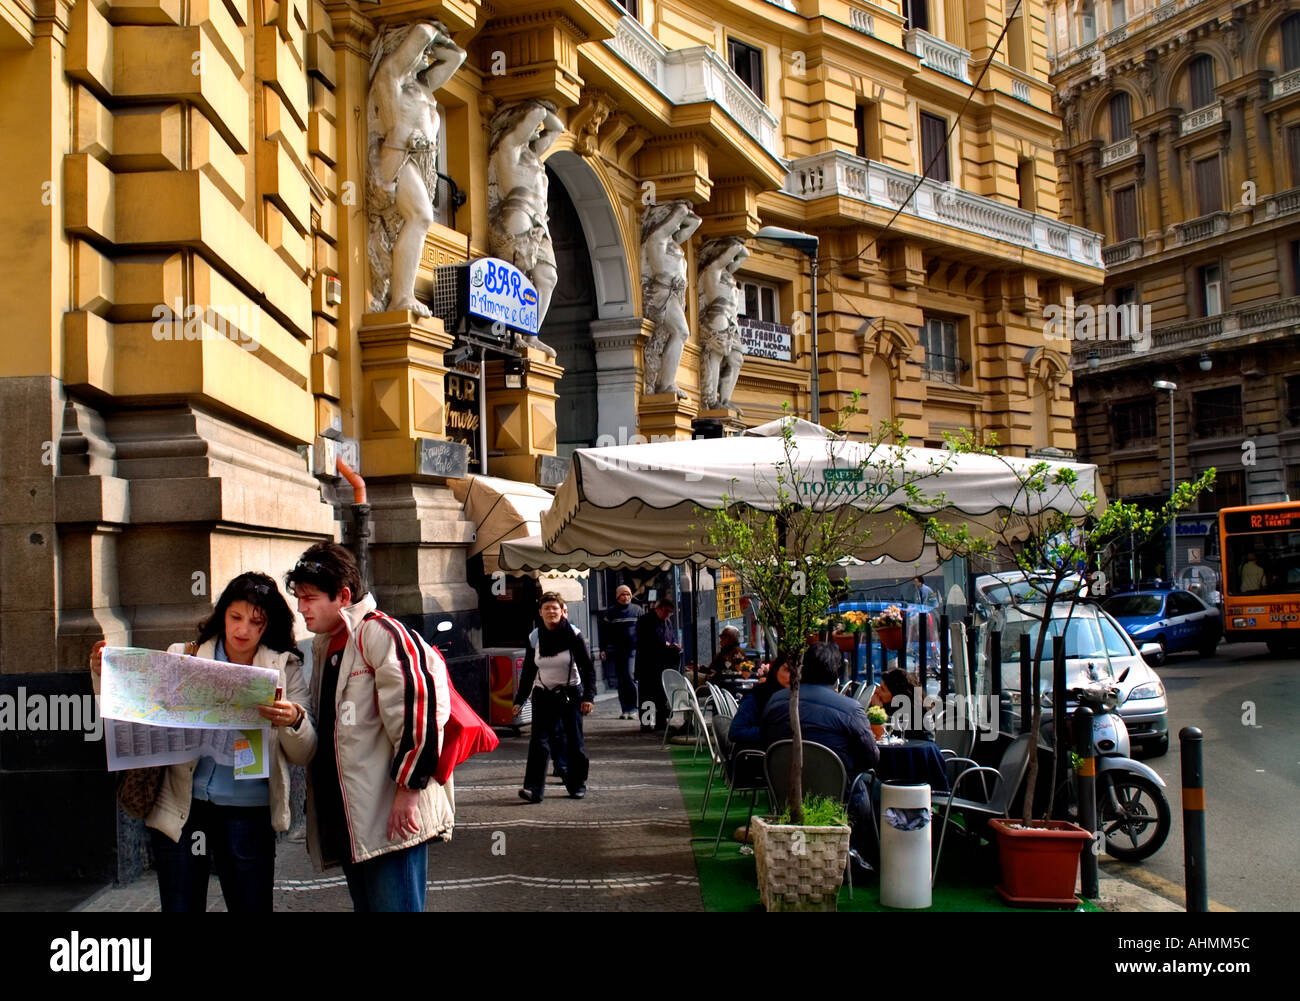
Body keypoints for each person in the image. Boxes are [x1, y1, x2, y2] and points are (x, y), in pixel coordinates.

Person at [90, 572, 315, 912]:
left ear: (269, 626)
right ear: (222, 615)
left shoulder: (286, 667)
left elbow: (304, 752)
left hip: (248, 814)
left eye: (256, 622)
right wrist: (104, 675)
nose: (243, 630)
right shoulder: (184, 656)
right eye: (235, 618)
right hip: (185, 809)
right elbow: (135, 713)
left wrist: (293, 720)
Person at [287, 542, 453, 912]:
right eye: (299, 597)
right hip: (355, 819)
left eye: (310, 597)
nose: (302, 608)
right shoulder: (325, 645)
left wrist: (408, 792)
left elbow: (418, 709)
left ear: (343, 596)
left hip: (390, 818)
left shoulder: (380, 633)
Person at [760, 643, 881, 870]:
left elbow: (767, 743)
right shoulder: (850, 709)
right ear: (836, 672)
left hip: (784, 792)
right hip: (840, 797)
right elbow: (871, 759)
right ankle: (859, 854)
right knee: (879, 790)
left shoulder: (775, 701)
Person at [512, 592, 596, 801]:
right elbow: (530, 670)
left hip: (569, 694)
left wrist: (589, 697)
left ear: (562, 612)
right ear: (540, 612)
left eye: (555, 608)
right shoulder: (534, 637)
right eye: (547, 608)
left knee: (574, 741)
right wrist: (520, 699)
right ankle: (533, 790)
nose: (551, 612)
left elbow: (587, 669)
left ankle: (577, 785)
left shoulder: (573, 635)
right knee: (539, 742)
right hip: (543, 694)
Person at [636, 597, 681, 732]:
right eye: (666, 611)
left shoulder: (667, 622)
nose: (668, 614)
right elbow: (646, 642)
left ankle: (661, 722)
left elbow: (670, 638)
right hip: (648, 666)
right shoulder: (645, 620)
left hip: (663, 665)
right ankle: (646, 724)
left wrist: (673, 645)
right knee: (647, 696)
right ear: (658, 608)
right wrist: (664, 644)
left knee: (661, 695)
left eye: (670, 612)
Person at [728, 654, 790, 750]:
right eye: (787, 670)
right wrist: (770, 731)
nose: (792, 676)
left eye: (799, 671)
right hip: (759, 757)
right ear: (776, 671)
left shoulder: (803, 698)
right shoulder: (757, 696)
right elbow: (736, 731)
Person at [601, 584, 642, 720]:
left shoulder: (637, 610)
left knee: (630, 677)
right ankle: (625, 709)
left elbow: (643, 630)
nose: (626, 597)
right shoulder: (611, 612)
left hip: (633, 650)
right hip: (617, 650)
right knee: (621, 680)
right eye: (623, 595)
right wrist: (603, 649)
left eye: (628, 594)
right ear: (618, 597)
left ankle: (633, 708)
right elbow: (605, 632)